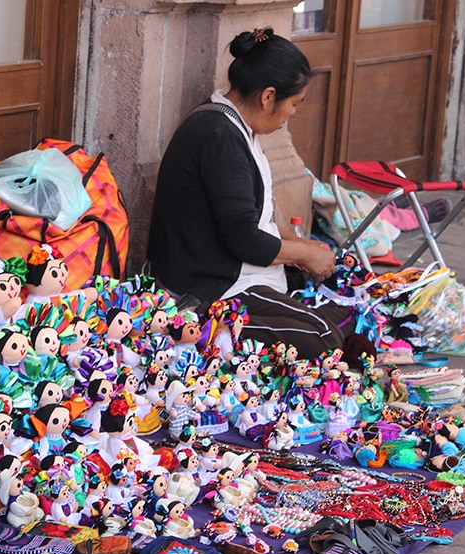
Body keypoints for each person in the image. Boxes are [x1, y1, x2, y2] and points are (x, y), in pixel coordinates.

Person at [147, 27, 353, 358]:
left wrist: (304, 245)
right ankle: (209, 328)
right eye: (294, 104)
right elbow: (244, 239)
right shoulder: (219, 138)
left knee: (346, 310)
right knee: (325, 337)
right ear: (268, 96)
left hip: (228, 269)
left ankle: (303, 321)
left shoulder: (232, 125)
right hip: (208, 286)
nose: (293, 114)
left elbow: (256, 219)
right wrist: (304, 254)